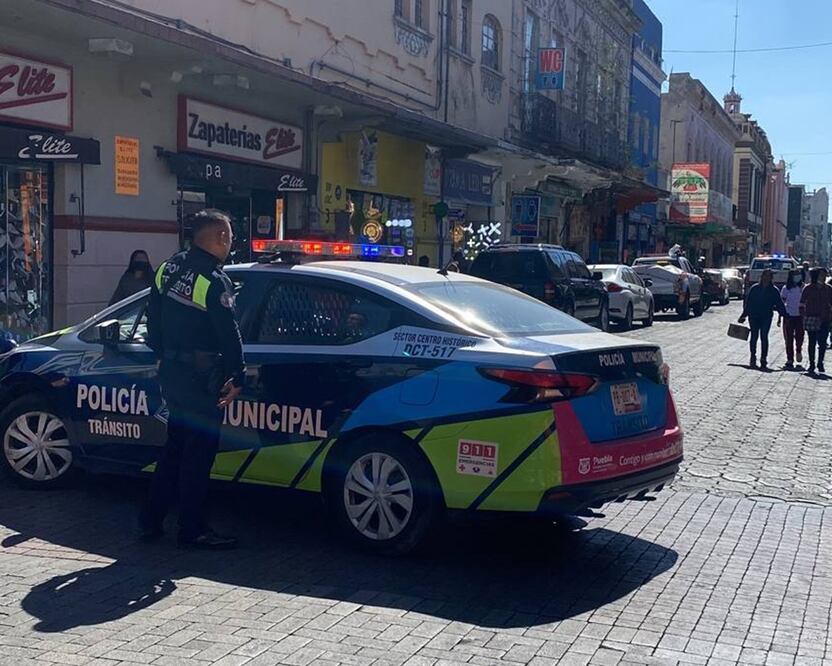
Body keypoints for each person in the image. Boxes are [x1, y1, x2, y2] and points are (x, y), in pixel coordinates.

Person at [139, 210, 244, 549]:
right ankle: (193, 529)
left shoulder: (168, 268)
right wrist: (238, 375)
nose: (231, 243)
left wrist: (162, 352)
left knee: (173, 450)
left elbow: (151, 315)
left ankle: (150, 522)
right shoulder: (214, 280)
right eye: (229, 235)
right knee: (198, 457)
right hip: (201, 380)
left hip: (172, 373)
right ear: (220, 237)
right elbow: (229, 334)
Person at [739, 268, 786, 370]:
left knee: (764, 336)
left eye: (769, 276)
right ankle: (753, 356)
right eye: (765, 276)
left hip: (766, 317)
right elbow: (749, 303)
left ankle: (763, 358)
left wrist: (784, 315)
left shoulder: (774, 290)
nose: (767, 278)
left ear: (771, 278)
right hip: (754, 316)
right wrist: (743, 315)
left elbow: (779, 304)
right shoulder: (755, 288)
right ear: (762, 277)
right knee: (754, 336)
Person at [800, 267, 832, 374]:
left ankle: (820, 362)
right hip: (812, 318)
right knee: (812, 342)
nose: (823, 277)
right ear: (816, 276)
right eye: (821, 275)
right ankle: (812, 363)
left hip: (825, 319)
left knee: (822, 342)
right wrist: (803, 315)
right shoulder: (808, 288)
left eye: (824, 275)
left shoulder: (828, 288)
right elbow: (802, 303)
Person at [780, 269, 804, 369]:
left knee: (800, 336)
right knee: (788, 338)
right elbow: (782, 302)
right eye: (795, 275)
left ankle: (798, 350)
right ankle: (790, 359)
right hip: (789, 316)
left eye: (798, 275)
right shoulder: (786, 288)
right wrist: (780, 316)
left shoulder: (803, 288)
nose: (797, 277)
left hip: (800, 316)